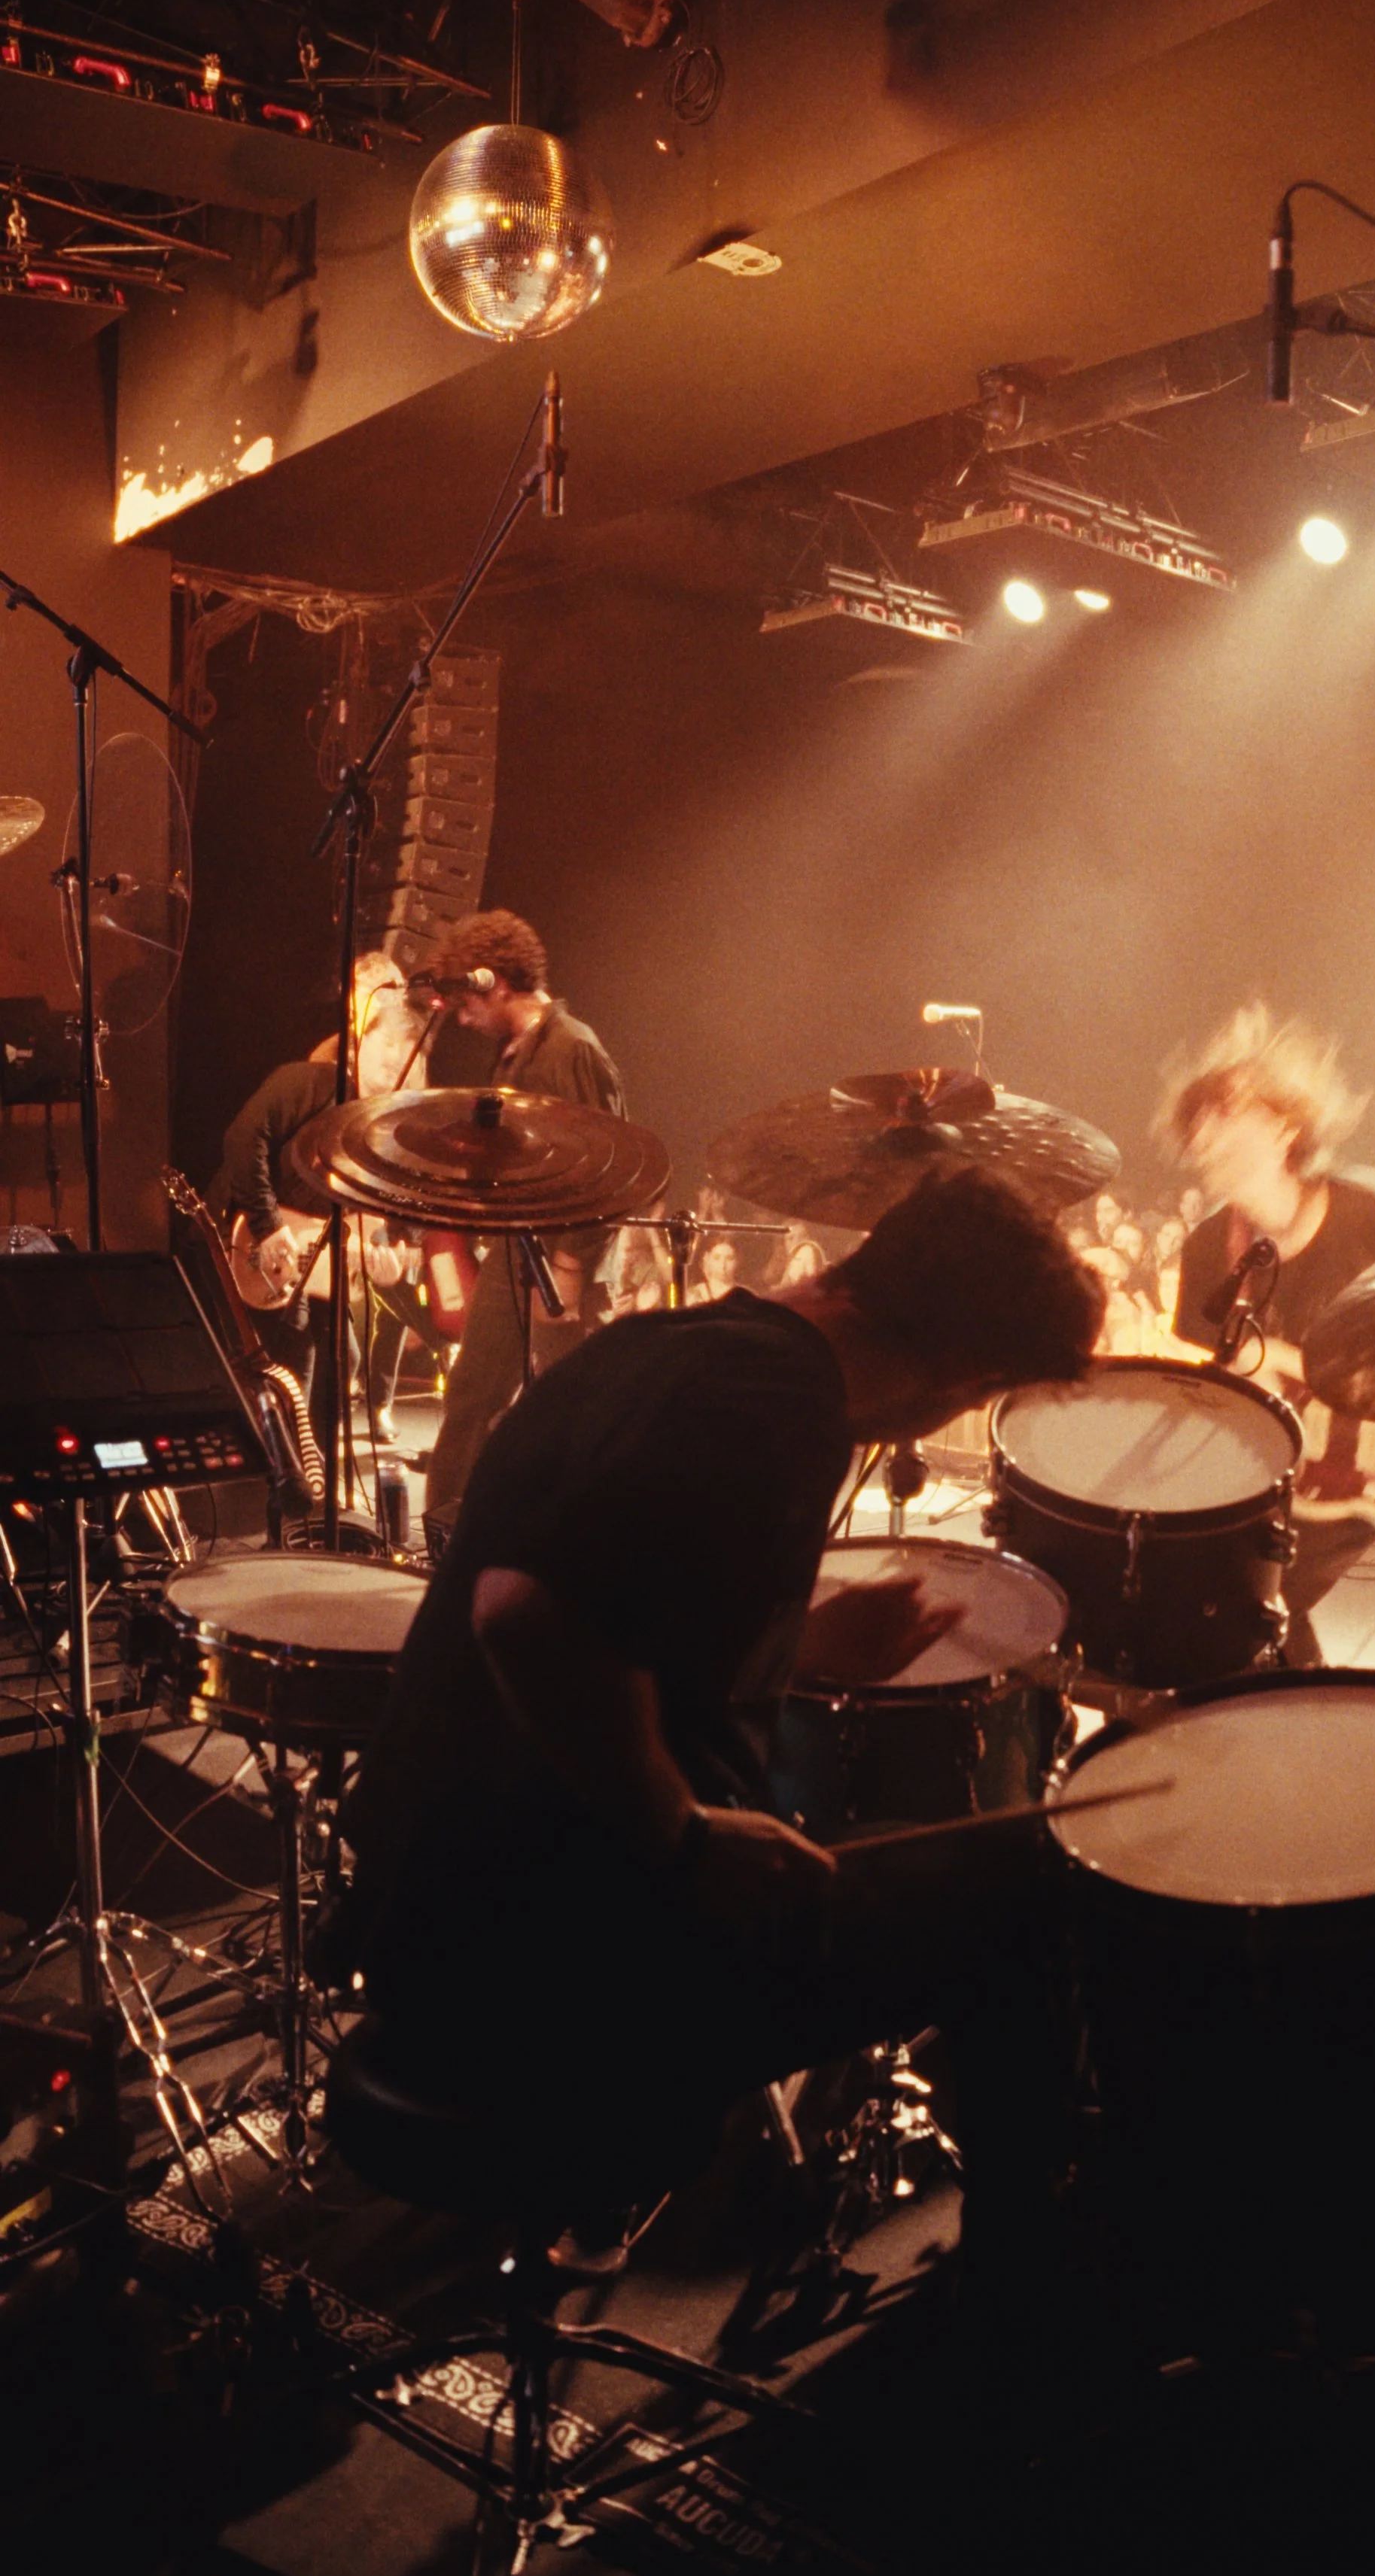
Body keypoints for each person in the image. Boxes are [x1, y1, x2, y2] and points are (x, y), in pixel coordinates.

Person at [341, 1165, 1105, 2265]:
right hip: (554, 1967)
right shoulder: (776, 1411)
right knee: (1025, 1889)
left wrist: (793, 1651)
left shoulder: (653, 1349)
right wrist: (682, 1830)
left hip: (424, 1912)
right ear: (968, 1370)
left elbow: (611, 1609)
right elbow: (524, 1614)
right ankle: (1025, 2292)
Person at [1155, 1004, 1375, 1665]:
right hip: (1281, 1468)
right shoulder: (1205, 1252)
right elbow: (1223, 1389)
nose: (1205, 1136)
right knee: (1215, 1596)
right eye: (1199, 1122)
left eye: (1227, 1115)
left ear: (1285, 1125)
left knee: (1243, 1597)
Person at [420, 909, 625, 1536]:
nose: (460, 1016)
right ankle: (440, 1545)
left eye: (464, 1001)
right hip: (515, 1254)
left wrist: (568, 1267)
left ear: (497, 984)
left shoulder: (571, 1048)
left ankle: (569, 1551)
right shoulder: (511, 1056)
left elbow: (612, 1167)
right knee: (470, 1401)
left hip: (565, 1262)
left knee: (567, 1419)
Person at [209, 952, 421, 1423]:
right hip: (251, 1242)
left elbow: (385, 1212)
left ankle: (314, 1479)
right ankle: (292, 1481)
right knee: (298, 1364)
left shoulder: (385, 1121)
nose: (396, 1061)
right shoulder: (311, 1080)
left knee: (340, 1357)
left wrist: (391, 1261)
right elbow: (243, 1139)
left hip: (315, 1254)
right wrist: (267, 1226)